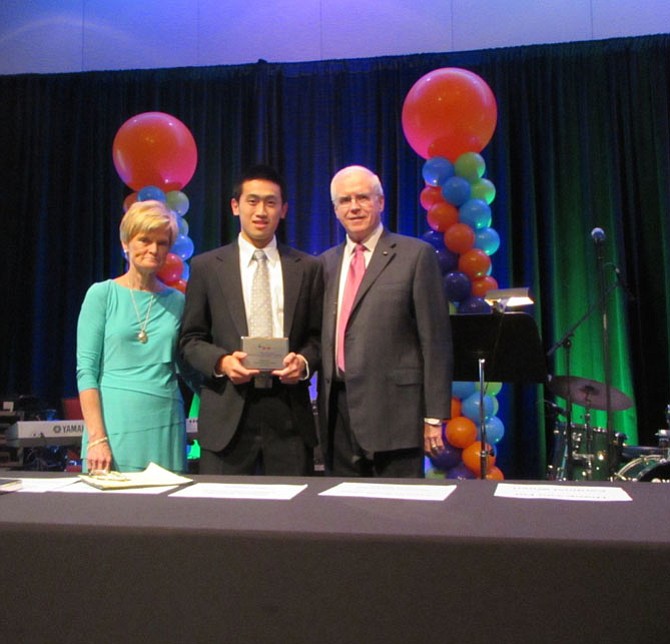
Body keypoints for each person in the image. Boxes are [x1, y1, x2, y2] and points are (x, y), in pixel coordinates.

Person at [179, 164, 322, 475]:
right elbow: (191, 340)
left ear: (283, 210)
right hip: (227, 413)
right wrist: (221, 363)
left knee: (291, 520)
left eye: (271, 202)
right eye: (252, 201)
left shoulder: (307, 267)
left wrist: (304, 363)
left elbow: (318, 337)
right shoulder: (206, 268)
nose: (261, 211)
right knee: (224, 519)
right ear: (235, 206)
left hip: (289, 417)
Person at [318, 165, 453, 477]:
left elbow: (435, 341)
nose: (354, 207)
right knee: (344, 514)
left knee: (399, 515)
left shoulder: (416, 255)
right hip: (338, 415)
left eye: (363, 198)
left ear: (380, 202)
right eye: (345, 200)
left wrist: (433, 415)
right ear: (336, 210)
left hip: (397, 416)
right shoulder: (324, 264)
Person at [77, 199, 187, 473]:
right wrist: (97, 438)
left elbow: (189, 369)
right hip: (113, 429)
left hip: (165, 426)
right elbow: (86, 372)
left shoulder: (178, 301)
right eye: (144, 240)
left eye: (162, 243)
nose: (153, 249)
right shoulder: (101, 294)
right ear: (126, 243)